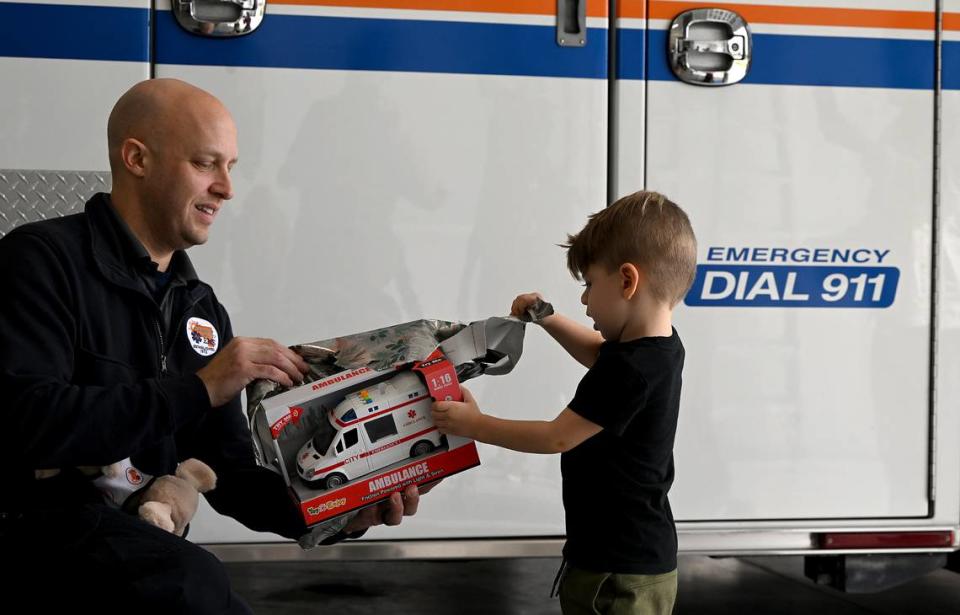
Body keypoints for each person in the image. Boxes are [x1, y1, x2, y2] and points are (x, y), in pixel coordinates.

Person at [0, 78, 425, 614]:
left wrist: (338, 508)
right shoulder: (40, 260)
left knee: (193, 583)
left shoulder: (198, 306)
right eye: (206, 164)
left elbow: (228, 472)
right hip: (36, 535)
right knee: (192, 582)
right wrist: (199, 388)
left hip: (136, 546)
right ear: (137, 158)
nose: (227, 188)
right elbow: (27, 423)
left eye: (232, 167)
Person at [432, 191, 697, 615]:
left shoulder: (633, 370)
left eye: (589, 285)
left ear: (628, 281)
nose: (585, 300)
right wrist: (548, 318)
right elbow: (597, 351)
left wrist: (475, 424)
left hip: (620, 573)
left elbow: (556, 437)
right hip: (618, 556)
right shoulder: (655, 348)